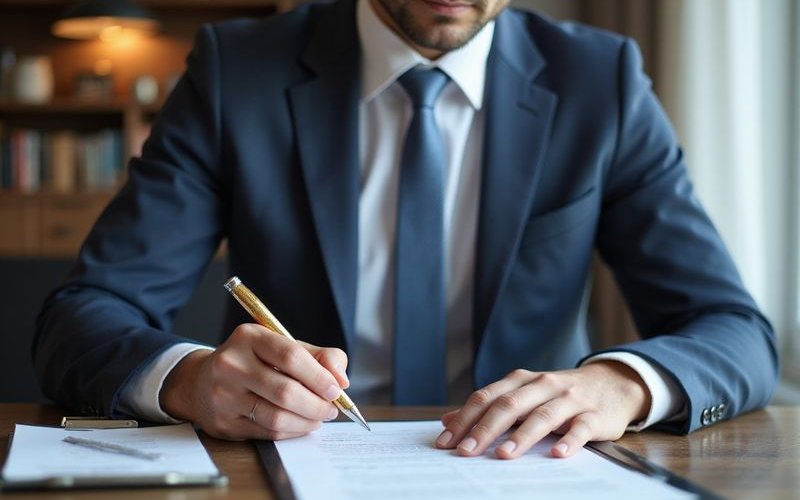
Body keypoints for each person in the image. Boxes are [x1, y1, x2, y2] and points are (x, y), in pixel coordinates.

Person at [34, 0, 778, 461]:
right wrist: (191, 381)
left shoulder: (600, 81)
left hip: (526, 476)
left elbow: (736, 331)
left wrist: (619, 385)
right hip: (290, 472)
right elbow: (82, 316)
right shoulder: (239, 71)